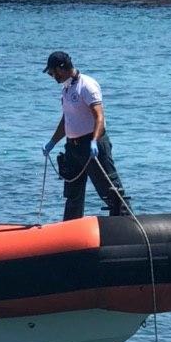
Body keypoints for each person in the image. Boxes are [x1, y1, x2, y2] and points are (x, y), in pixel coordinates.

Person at [41, 51, 129, 220]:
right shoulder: (66, 89)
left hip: (91, 144)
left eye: (53, 73)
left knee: (109, 189)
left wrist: (94, 141)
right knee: (72, 193)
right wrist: (52, 142)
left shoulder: (86, 85)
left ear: (62, 68)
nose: (52, 77)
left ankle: (125, 222)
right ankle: (70, 228)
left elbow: (99, 116)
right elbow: (67, 119)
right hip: (72, 147)